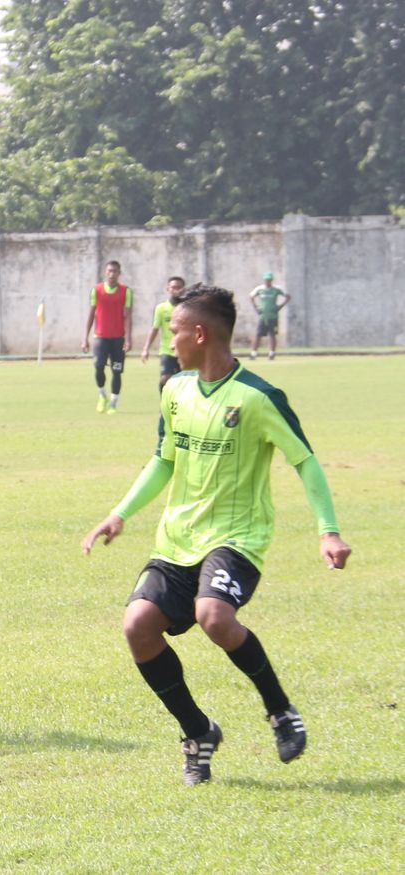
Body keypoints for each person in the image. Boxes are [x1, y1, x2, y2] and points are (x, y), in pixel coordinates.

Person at [81, 284, 351, 786]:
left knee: (213, 615)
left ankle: (279, 710)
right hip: (176, 541)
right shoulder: (175, 390)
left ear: (200, 334)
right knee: (137, 626)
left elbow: (305, 462)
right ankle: (198, 732)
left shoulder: (259, 398)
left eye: (176, 330)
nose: (170, 338)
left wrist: (328, 531)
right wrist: (120, 513)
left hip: (236, 538)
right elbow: (164, 462)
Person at [81, 261, 132, 414]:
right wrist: (85, 338)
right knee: (98, 366)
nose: (112, 274)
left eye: (115, 271)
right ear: (105, 272)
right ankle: (102, 395)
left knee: (117, 371)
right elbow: (91, 315)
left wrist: (128, 339)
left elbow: (128, 317)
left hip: (118, 339)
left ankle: (113, 403)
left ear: (119, 273)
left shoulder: (126, 291)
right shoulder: (96, 290)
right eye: (109, 271)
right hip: (100, 338)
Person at [140, 276, 187, 392]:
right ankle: (163, 405)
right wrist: (146, 348)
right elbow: (155, 328)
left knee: (184, 382)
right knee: (165, 378)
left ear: (184, 289)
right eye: (173, 287)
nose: (176, 290)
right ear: (168, 289)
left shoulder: (188, 308)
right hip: (166, 350)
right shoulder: (161, 308)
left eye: (179, 287)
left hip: (185, 350)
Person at [249, 271, 289, 360]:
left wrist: (280, 306)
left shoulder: (276, 289)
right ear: (264, 280)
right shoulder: (260, 289)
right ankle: (254, 353)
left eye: (269, 280)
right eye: (266, 280)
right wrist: (256, 308)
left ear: (272, 280)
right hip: (263, 316)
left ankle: (272, 353)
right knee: (258, 335)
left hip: (273, 316)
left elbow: (287, 296)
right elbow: (251, 296)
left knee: (272, 334)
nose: (268, 281)